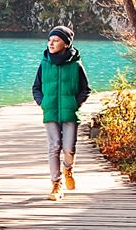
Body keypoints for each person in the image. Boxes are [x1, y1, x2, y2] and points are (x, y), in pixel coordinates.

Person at [31, 25, 91, 201]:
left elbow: (85, 89)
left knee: (69, 148)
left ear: (65, 44)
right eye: (49, 40)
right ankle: (56, 184)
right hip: (50, 112)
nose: (51, 43)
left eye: (56, 40)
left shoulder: (75, 65)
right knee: (54, 146)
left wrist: (75, 103)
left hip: (69, 112)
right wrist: (43, 103)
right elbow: (36, 87)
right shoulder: (44, 63)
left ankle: (68, 168)